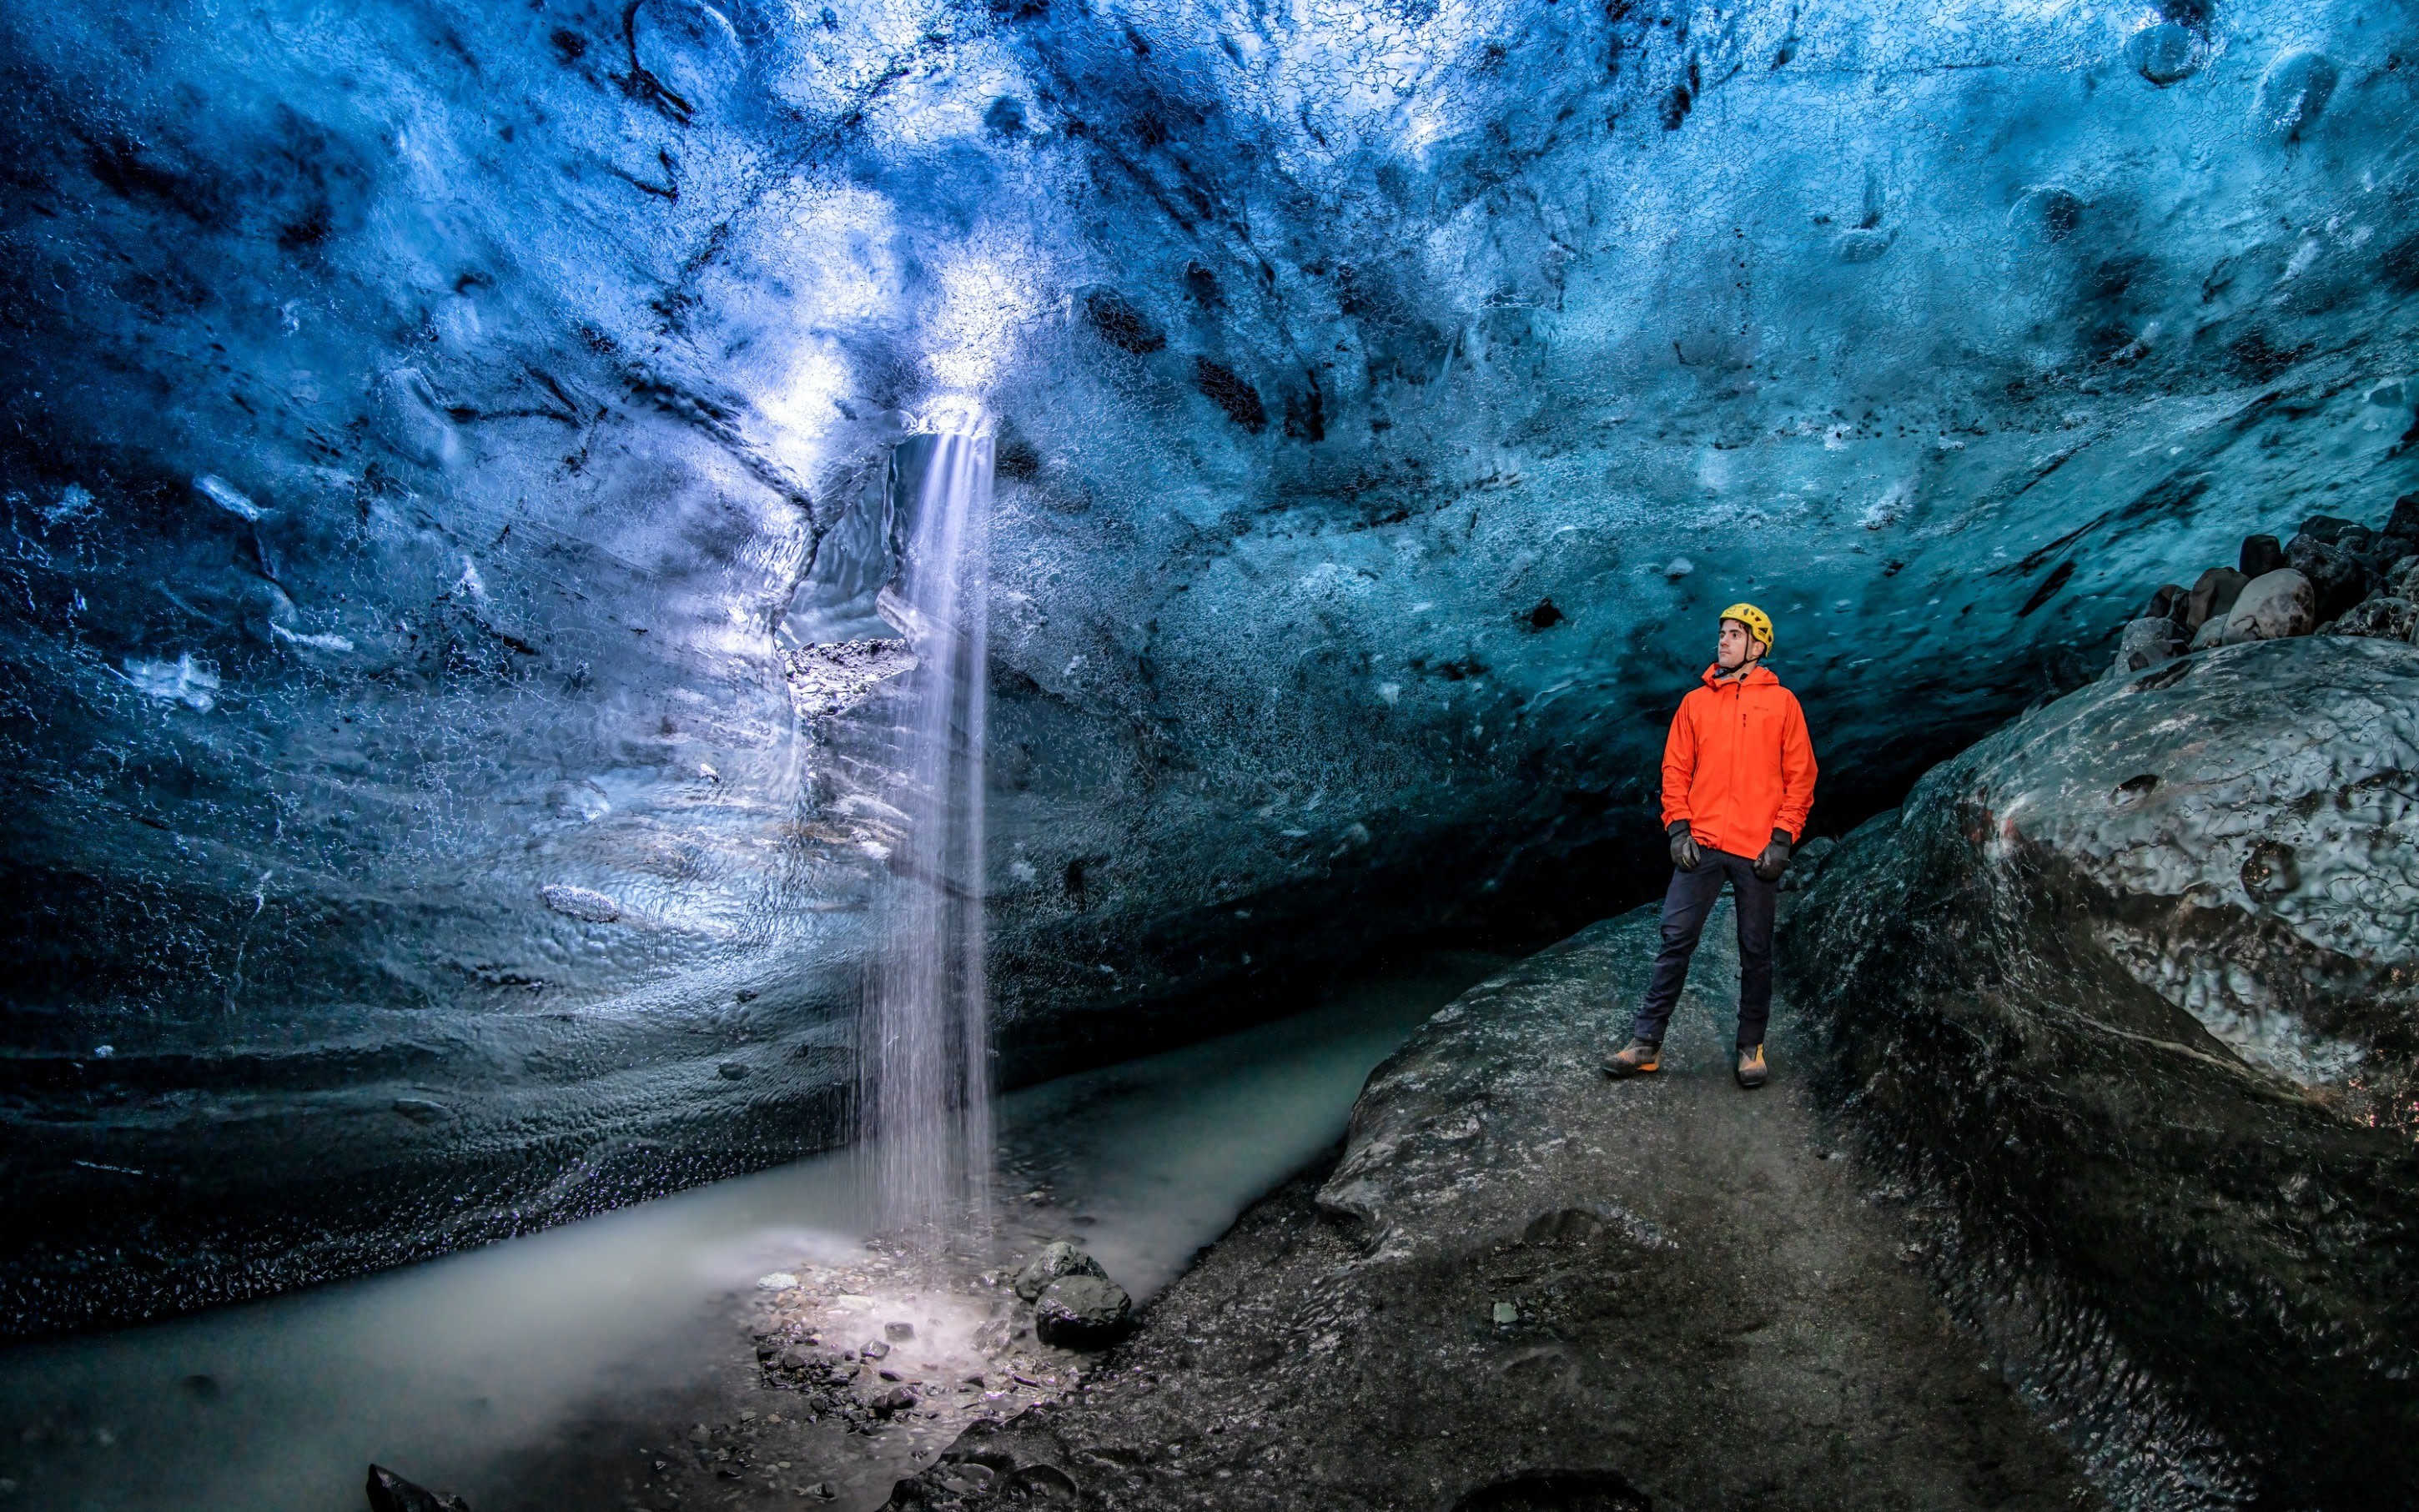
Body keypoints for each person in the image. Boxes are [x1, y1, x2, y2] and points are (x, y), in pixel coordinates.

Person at [1602, 603, 1817, 1088]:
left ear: (1758, 647)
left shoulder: (1782, 704)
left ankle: (1750, 1045)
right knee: (1675, 938)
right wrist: (1678, 829)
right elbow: (1675, 770)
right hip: (1701, 844)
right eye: (1722, 632)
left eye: (1736, 635)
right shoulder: (1695, 703)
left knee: (1755, 948)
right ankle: (1646, 1044)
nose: (1724, 641)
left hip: (1756, 847)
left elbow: (1800, 777)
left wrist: (1782, 838)